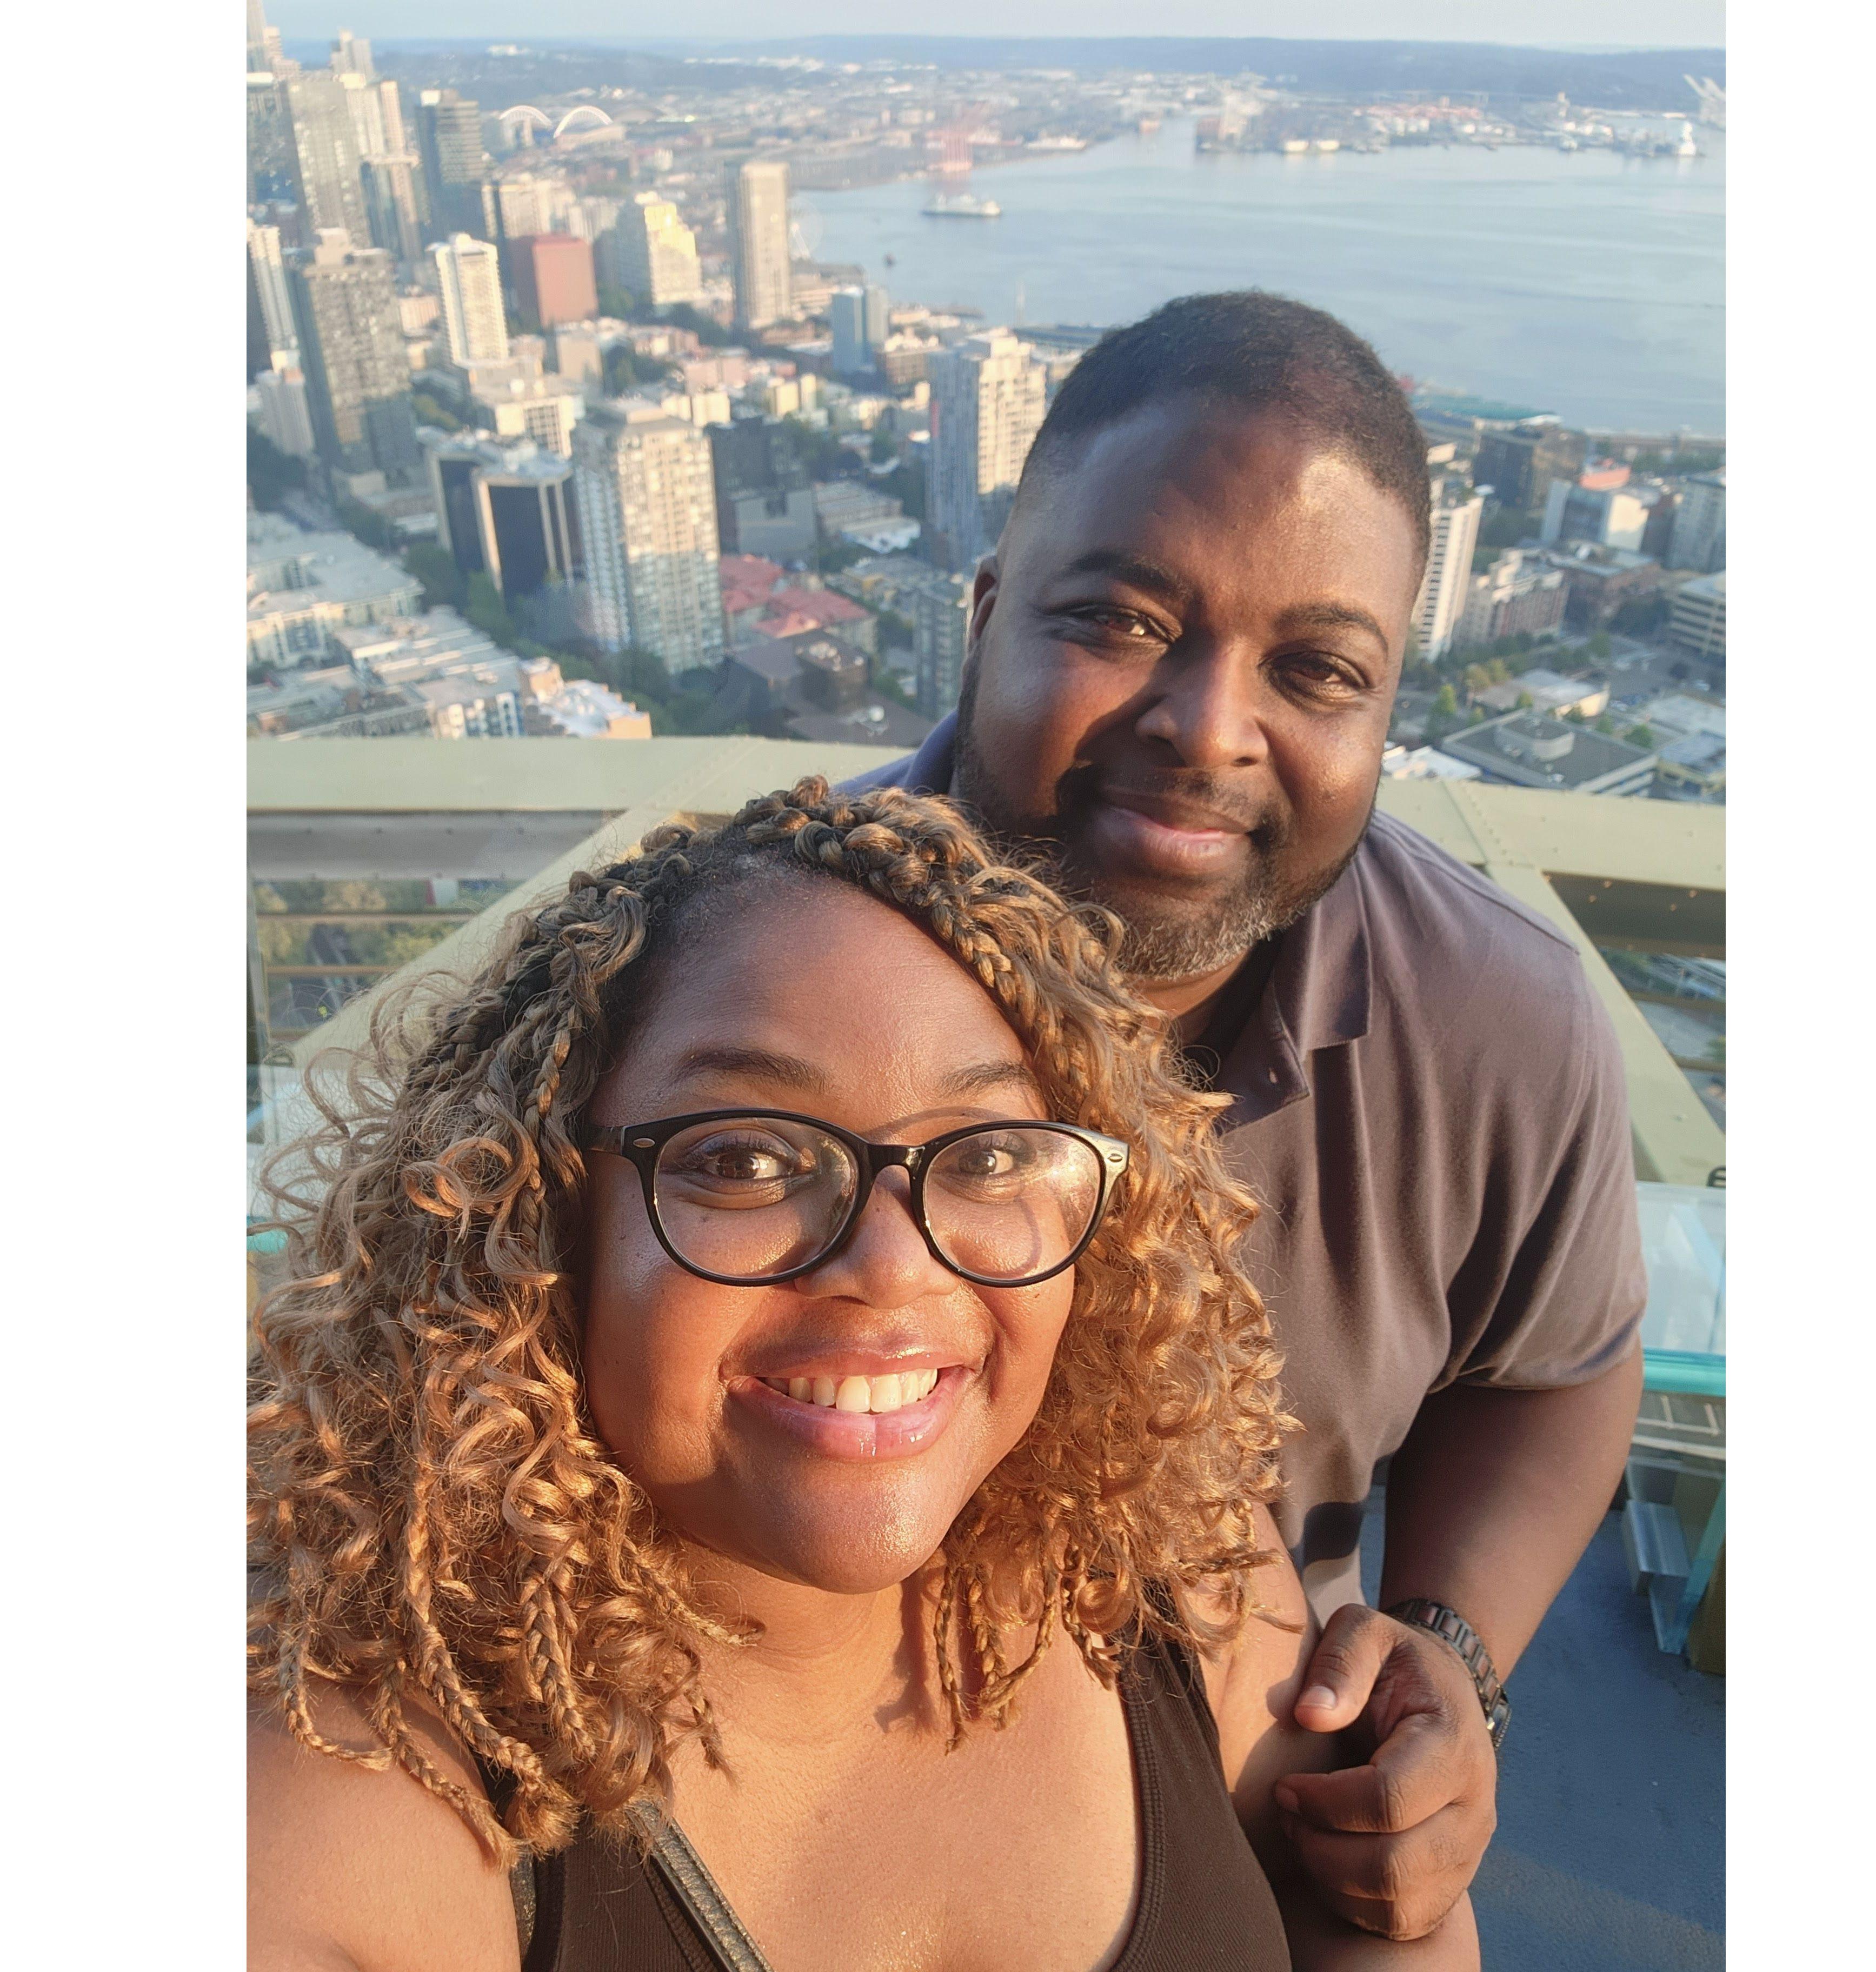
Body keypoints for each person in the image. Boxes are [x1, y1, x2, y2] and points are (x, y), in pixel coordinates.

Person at [248, 782, 1479, 1970]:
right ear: (536, 1224)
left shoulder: (1173, 1561)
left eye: (989, 1153)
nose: (890, 1268)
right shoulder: (346, 1810)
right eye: (743, 1158)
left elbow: (1380, 1913)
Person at [849, 291, 1648, 1942]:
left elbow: (1559, 1366)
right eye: (1122, 621)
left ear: (1383, 713)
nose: (1208, 729)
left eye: (1317, 669)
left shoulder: (1497, 1023)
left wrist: (1451, 1653)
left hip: (1261, 1777)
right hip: (805, 1766)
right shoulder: (735, 991)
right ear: (986, 613)